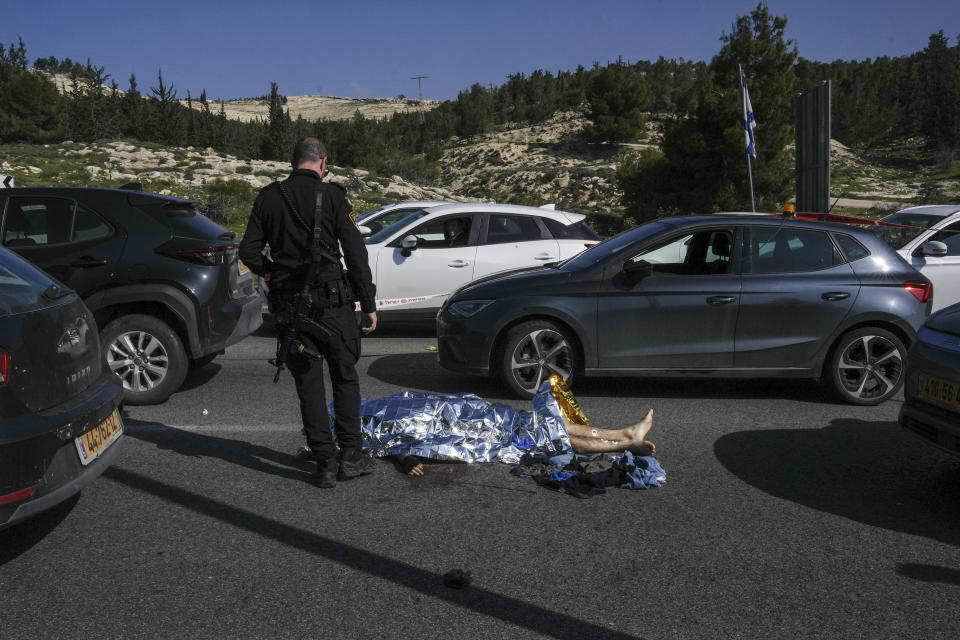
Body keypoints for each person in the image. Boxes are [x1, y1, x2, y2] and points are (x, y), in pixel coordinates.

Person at [239, 136, 378, 489]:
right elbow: (356, 254)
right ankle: (351, 456)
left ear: (294, 162)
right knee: (345, 379)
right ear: (322, 163)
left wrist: (272, 271)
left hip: (293, 311)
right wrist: (368, 304)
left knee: (309, 387)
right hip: (335, 307)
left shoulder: (269, 198)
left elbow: (250, 252)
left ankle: (325, 463)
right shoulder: (333, 197)